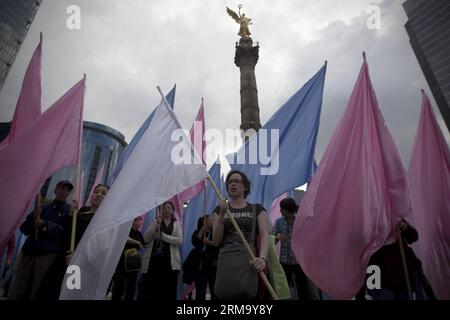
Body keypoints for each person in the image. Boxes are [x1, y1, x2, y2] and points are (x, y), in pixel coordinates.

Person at [35, 183, 110, 300]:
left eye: (103, 193)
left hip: (80, 266)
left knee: (69, 294)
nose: (98, 195)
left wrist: (78, 256)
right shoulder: (79, 213)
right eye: (96, 191)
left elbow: (100, 247)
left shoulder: (105, 221)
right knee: (49, 291)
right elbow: (65, 235)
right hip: (62, 260)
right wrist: (70, 214)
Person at [9, 180, 74, 300]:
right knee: (19, 286)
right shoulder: (42, 207)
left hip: (47, 255)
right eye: (61, 188)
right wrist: (33, 219)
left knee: (38, 288)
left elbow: (65, 234)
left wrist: (45, 224)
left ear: (69, 193)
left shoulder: (69, 211)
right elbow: (24, 229)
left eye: (67, 190)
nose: (64, 192)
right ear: (55, 190)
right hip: (29, 252)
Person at [212, 170, 269, 299]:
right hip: (227, 262)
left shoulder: (257, 209)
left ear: (245, 186)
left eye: (237, 181)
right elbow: (216, 241)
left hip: (248, 262)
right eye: (230, 182)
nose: (233, 184)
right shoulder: (219, 210)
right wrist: (221, 215)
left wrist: (262, 258)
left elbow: (264, 235)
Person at [366, 219, 436, 300]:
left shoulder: (395, 215)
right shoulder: (370, 216)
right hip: (378, 274)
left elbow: (413, 237)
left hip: (401, 275)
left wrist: (404, 227)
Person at [273, 197, 318, 300]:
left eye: (282, 209)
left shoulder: (301, 221)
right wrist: (277, 238)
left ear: (288, 209)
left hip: (298, 262)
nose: (280, 211)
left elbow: (309, 239)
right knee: (284, 288)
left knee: (303, 288)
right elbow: (272, 239)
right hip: (284, 261)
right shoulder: (279, 222)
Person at [139, 201, 182, 300]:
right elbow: (145, 239)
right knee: (151, 291)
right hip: (153, 262)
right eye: (164, 207)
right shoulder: (155, 221)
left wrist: (163, 236)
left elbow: (179, 241)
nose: (166, 209)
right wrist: (155, 225)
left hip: (170, 263)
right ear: (160, 210)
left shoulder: (176, 223)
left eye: (169, 208)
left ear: (172, 211)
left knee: (168, 291)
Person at [111, 216, 145, 300]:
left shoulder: (139, 233)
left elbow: (143, 244)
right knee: (119, 282)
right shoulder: (126, 230)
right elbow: (125, 238)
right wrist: (136, 242)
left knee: (131, 285)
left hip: (134, 263)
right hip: (122, 260)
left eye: (140, 220)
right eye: (137, 220)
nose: (139, 222)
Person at [191, 215, 219, 300]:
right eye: (210, 220)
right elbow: (196, 243)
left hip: (213, 266)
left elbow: (218, 245)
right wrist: (203, 229)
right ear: (204, 222)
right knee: (200, 290)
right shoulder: (197, 232)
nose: (213, 221)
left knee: (214, 290)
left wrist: (209, 242)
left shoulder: (216, 233)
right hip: (201, 266)